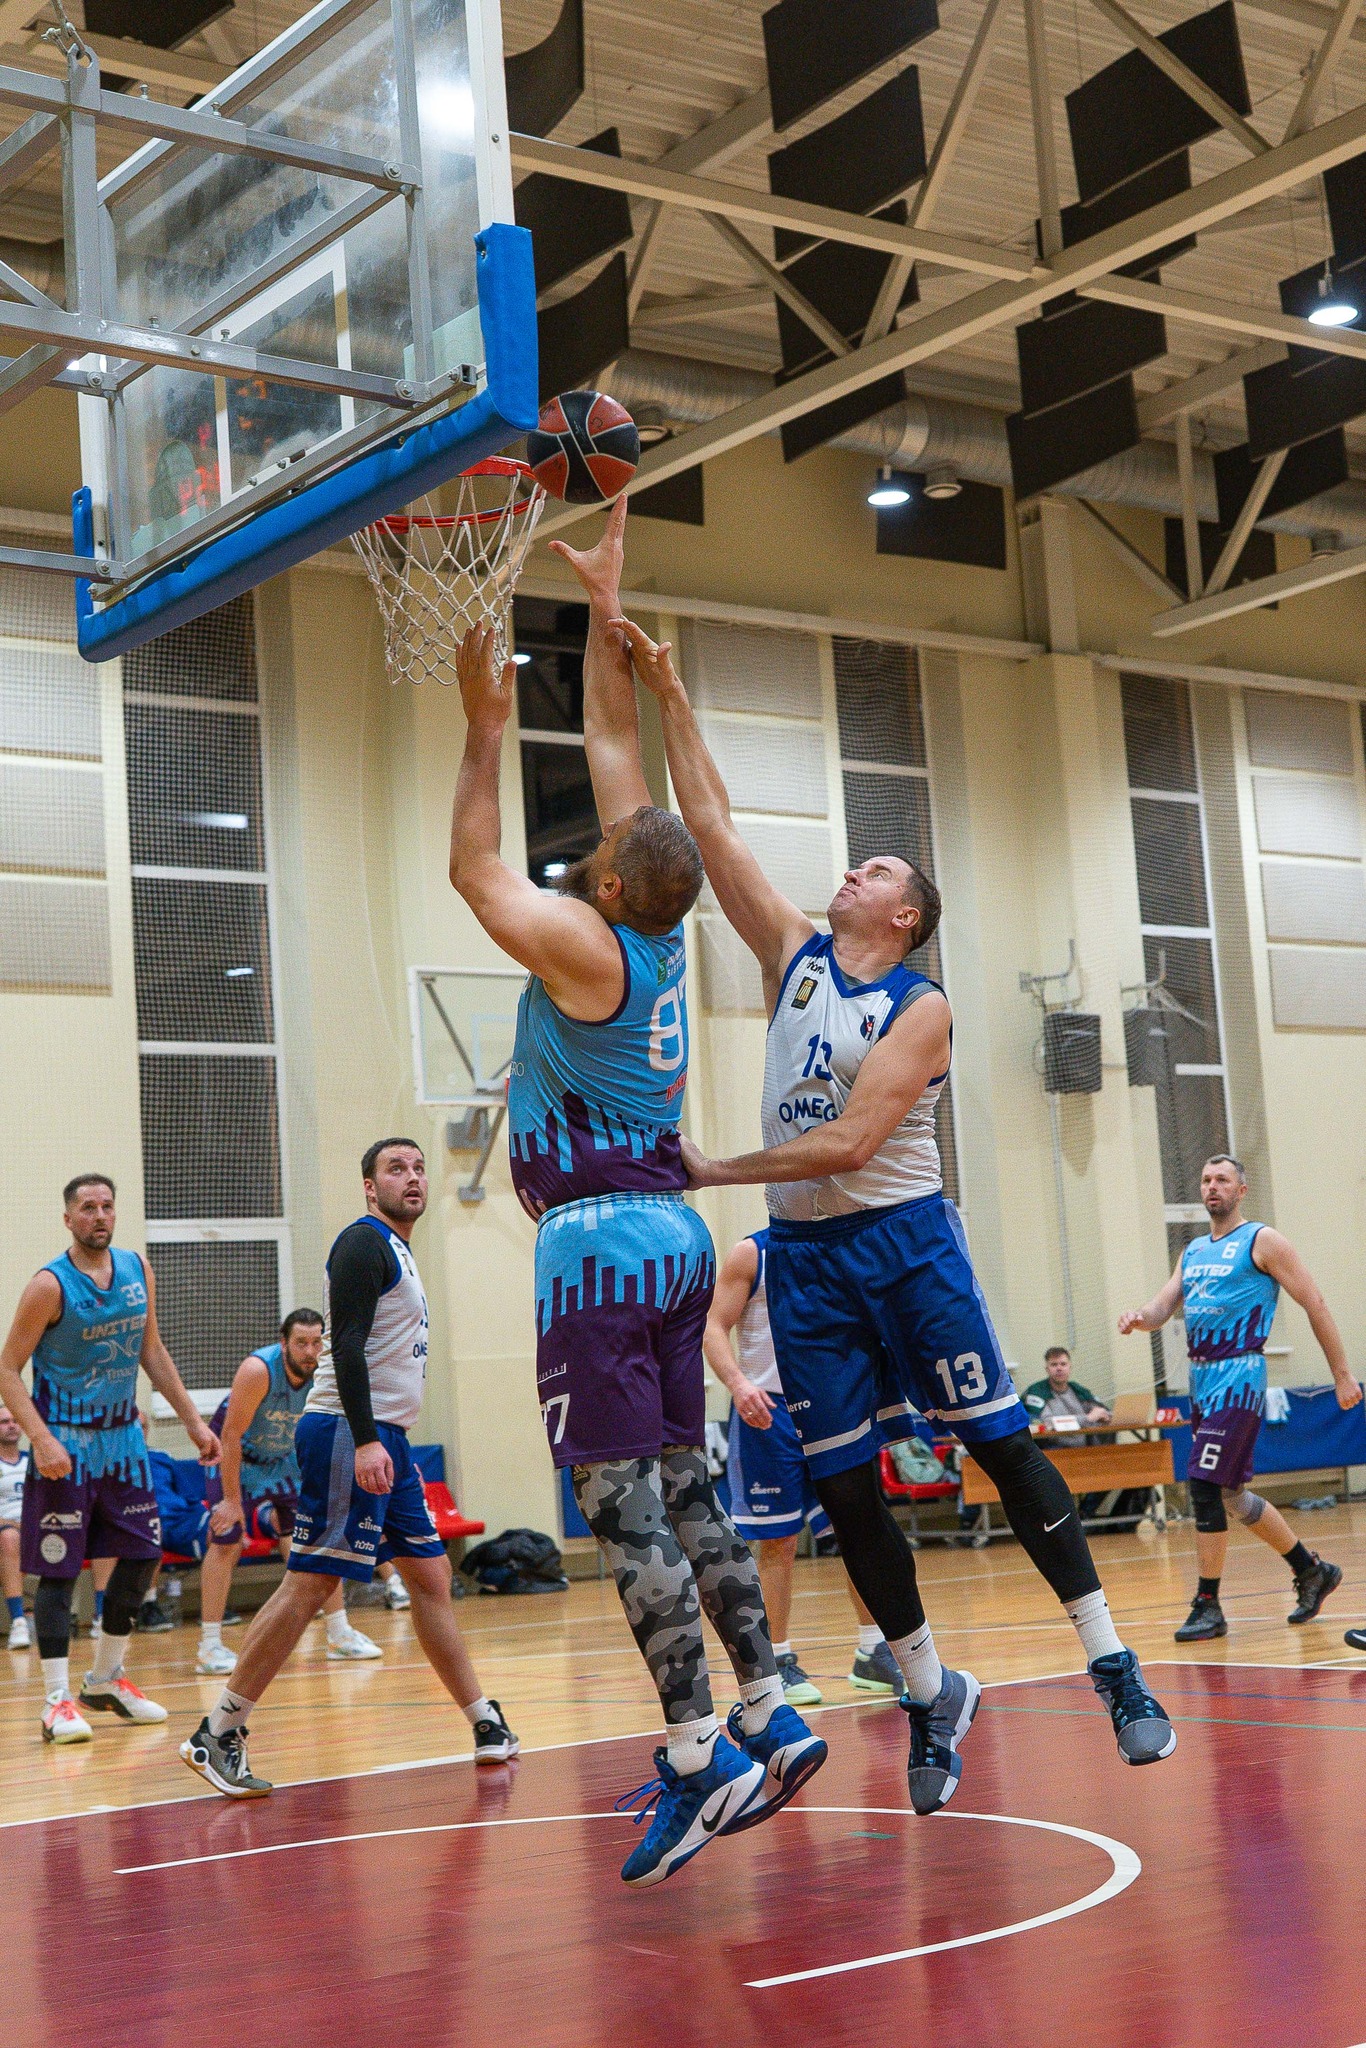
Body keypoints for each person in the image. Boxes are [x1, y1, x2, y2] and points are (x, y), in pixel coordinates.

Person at [607, 588, 1175, 1812]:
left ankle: (1110, 1660)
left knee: (1000, 1447)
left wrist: (713, 1167)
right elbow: (711, 825)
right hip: (808, 1264)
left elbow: (853, 1141)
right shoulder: (794, 956)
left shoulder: (920, 1006)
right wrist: (669, 690)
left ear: (902, 912)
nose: (847, 869)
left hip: (904, 1243)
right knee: (845, 1488)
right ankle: (928, 1690)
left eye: (870, 868)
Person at [447, 503, 824, 1889]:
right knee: (687, 1488)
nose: (581, 860)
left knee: (619, 1512)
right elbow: (616, 747)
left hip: (599, 1247)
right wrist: (606, 608)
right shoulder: (657, 931)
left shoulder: (586, 946)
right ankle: (767, 1709)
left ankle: (696, 1756)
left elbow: (473, 872)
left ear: (608, 882)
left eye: (592, 862)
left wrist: (485, 728)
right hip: (675, 1236)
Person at [181, 1140, 517, 1797]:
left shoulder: (399, 1249)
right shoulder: (363, 1243)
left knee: (431, 1575)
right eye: (396, 1169)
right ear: (369, 1186)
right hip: (348, 1433)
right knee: (309, 1584)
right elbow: (350, 1347)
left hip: (386, 1436)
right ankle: (218, 1730)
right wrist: (365, 1442)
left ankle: (483, 1720)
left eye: (418, 1168)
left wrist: (380, 1440)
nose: (412, 1177)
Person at [0, 1174, 219, 1744]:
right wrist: (41, 1438)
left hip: (124, 1444)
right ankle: (56, 1700)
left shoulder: (137, 1269)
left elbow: (152, 1349)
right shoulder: (49, 1285)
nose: (99, 1215)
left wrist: (193, 1421)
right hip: (66, 1445)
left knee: (143, 1555)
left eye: (106, 1206)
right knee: (57, 1570)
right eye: (87, 1207)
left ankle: (105, 1678)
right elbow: (7, 1369)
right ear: (68, 1219)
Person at [1119, 1153, 1359, 1642]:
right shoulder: (1192, 1251)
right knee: (1229, 1494)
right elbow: (1164, 1305)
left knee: (1204, 1485)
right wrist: (1140, 1317)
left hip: (1239, 1377)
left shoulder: (1262, 1241)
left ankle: (1208, 1604)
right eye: (1206, 1179)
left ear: (1241, 1190)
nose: (1212, 1186)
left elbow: (1314, 1303)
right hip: (1202, 1380)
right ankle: (1311, 1569)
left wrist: (1342, 1376)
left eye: (1222, 1180)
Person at [704, 1230, 903, 1700]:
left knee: (860, 1529)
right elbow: (713, 1326)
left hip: (831, 1408)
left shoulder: (843, 1249)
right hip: (768, 1411)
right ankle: (777, 1659)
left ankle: (874, 1651)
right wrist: (738, 1384)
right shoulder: (752, 1253)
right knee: (779, 1542)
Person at [197, 1309, 382, 1676]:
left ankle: (339, 1634)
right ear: (284, 1343)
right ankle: (209, 1645)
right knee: (227, 1538)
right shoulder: (258, 1370)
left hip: (284, 1458)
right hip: (237, 1455)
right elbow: (230, 1436)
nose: (310, 1351)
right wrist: (231, 1500)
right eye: (301, 1343)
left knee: (318, 1539)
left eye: (316, 1343)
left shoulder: (330, 1372)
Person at [1023, 1349, 1112, 1430]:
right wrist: (1087, 1418)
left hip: (1086, 1441)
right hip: (1052, 1443)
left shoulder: (1078, 1390)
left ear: (1070, 1367)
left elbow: (1103, 1412)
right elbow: (1045, 1423)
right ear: (1047, 1369)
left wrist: (1104, 1415)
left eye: (1063, 1364)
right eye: (1054, 1365)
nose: (1059, 1368)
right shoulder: (1037, 1392)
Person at [0, 1405, 30, 1649]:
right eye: (4, 1422)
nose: (11, 1425)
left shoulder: (34, 1461)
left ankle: (101, 1615)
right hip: (6, 1530)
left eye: (14, 1420)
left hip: (35, 1529)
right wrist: (12, 1524)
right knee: (10, 1538)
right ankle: (19, 1621)